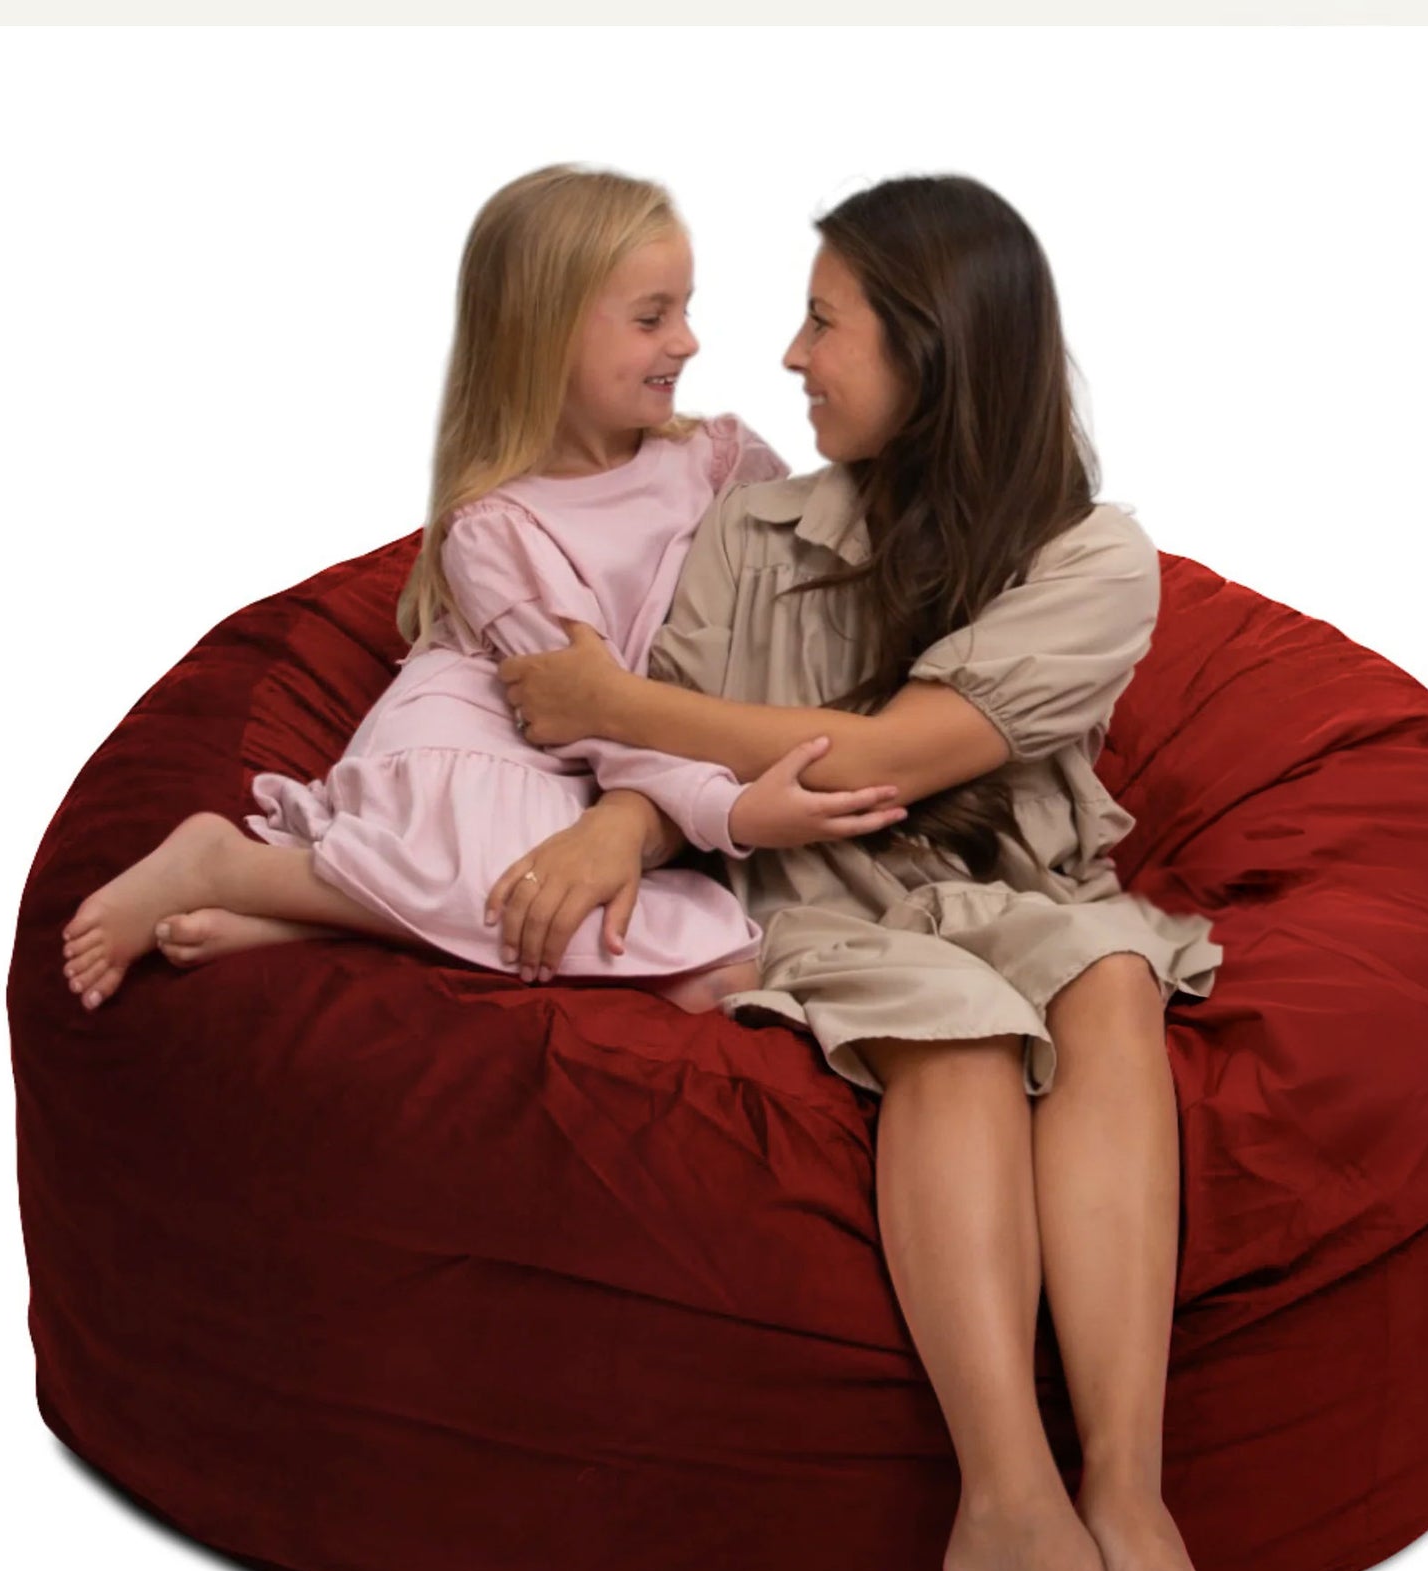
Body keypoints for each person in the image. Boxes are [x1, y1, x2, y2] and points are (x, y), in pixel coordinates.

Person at [485, 175, 1232, 1571]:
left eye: (825, 324)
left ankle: (1124, 1481)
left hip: (1018, 887)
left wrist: (608, 702)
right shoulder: (752, 530)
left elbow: (890, 756)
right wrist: (621, 816)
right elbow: (687, 769)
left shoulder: (1097, 562)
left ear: (931, 352)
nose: (789, 356)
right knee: (955, 1026)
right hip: (825, 903)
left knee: (1106, 965)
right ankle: (1007, 1502)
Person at [59, 165, 908, 1013]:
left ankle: (320, 918)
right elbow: (590, 705)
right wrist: (732, 812)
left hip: (602, 771)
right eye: (652, 318)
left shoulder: (719, 460)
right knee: (563, 912)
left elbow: (787, 584)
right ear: (547, 336)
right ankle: (235, 869)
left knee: (711, 972)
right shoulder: (494, 526)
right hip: (493, 749)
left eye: (685, 309)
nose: (686, 342)